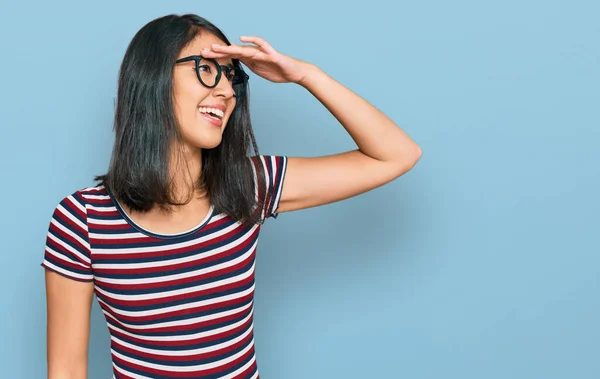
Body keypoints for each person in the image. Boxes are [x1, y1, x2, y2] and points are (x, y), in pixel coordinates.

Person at [41, 13, 421, 379]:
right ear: (152, 78)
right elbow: (67, 370)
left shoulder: (249, 186)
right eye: (206, 69)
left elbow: (397, 155)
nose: (225, 91)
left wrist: (306, 75)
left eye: (231, 77)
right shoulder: (82, 220)